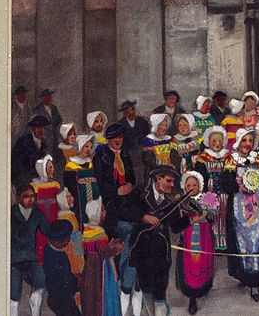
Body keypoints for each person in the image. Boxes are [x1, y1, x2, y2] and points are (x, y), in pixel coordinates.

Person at [121, 167, 192, 316]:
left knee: (160, 288)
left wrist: (190, 220)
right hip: (141, 248)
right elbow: (125, 211)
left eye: (173, 181)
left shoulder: (171, 200)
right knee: (142, 287)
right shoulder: (140, 193)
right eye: (168, 181)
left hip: (161, 250)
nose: (172, 185)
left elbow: (175, 226)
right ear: (158, 179)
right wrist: (143, 217)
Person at [220, 128, 259, 302]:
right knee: (242, 241)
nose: (248, 144)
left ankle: (256, 281)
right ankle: (245, 275)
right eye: (245, 140)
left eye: (251, 141)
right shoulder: (231, 159)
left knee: (258, 238)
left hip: (258, 205)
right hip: (239, 205)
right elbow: (225, 182)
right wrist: (237, 187)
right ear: (238, 142)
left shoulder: (258, 159)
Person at [93, 123, 142, 315]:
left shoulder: (126, 155)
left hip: (128, 202)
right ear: (108, 139)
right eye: (115, 138)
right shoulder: (101, 157)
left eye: (120, 137)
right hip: (111, 205)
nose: (118, 140)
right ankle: (126, 280)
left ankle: (130, 276)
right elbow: (100, 183)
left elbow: (132, 178)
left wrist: (129, 185)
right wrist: (116, 190)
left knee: (135, 231)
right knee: (126, 232)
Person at [175, 171, 216, 315]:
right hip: (188, 238)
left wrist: (208, 213)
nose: (192, 187)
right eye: (188, 185)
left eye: (195, 184)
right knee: (191, 263)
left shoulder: (207, 198)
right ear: (184, 187)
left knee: (203, 261)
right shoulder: (181, 202)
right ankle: (192, 296)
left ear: (200, 185)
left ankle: (203, 287)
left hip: (205, 237)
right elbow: (177, 224)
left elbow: (212, 217)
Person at [10, 183, 50, 316]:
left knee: (40, 282)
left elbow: (47, 230)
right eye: (26, 196)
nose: (30, 199)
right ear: (17, 197)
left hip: (31, 257)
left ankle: (35, 312)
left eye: (32, 196)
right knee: (14, 294)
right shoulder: (10, 213)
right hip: (14, 260)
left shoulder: (37, 213)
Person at [190, 126, 231, 251]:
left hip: (224, 192)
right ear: (209, 142)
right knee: (211, 217)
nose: (217, 144)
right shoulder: (203, 157)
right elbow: (199, 176)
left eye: (219, 140)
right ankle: (212, 244)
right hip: (209, 191)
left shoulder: (228, 157)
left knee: (224, 217)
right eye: (214, 141)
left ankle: (224, 244)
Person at [81, 197, 123, 316]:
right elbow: (105, 253)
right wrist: (116, 248)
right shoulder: (99, 232)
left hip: (90, 266)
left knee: (91, 296)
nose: (105, 213)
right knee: (102, 294)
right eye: (102, 210)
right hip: (101, 268)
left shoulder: (88, 229)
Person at [43, 219, 81, 316]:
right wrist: (77, 281)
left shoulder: (48, 249)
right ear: (60, 242)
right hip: (62, 299)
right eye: (68, 238)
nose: (69, 240)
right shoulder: (60, 257)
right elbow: (65, 279)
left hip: (55, 296)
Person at [63, 134, 99, 224]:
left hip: (94, 197)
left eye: (90, 147)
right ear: (80, 146)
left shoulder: (91, 163)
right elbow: (69, 185)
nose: (89, 149)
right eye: (86, 146)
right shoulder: (71, 165)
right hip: (80, 198)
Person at [31, 154, 60, 265]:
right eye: (49, 168)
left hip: (53, 217)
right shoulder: (35, 186)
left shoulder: (55, 185)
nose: (52, 170)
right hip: (41, 219)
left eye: (52, 167)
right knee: (41, 239)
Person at [118, 99, 151, 187]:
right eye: (128, 112)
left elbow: (148, 137)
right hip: (127, 156)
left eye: (132, 110)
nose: (131, 113)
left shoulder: (143, 122)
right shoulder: (120, 124)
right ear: (124, 113)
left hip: (142, 155)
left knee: (142, 178)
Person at [12, 115, 50, 187]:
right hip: (23, 182)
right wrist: (28, 180)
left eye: (44, 128)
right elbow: (16, 165)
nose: (42, 131)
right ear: (33, 128)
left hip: (39, 181)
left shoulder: (44, 144)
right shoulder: (23, 142)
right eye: (39, 127)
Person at [56, 187, 85, 277]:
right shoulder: (66, 217)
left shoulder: (68, 215)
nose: (72, 198)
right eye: (68, 197)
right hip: (73, 251)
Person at [142, 113, 175, 180]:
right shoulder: (149, 140)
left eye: (166, 125)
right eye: (161, 125)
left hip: (168, 171)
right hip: (153, 171)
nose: (163, 128)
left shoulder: (169, 139)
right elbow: (146, 160)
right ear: (155, 125)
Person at [34, 88, 63, 161]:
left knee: (54, 159)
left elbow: (59, 120)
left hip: (54, 139)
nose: (49, 98)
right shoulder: (37, 110)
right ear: (43, 98)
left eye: (50, 96)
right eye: (47, 96)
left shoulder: (54, 108)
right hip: (44, 138)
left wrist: (57, 131)